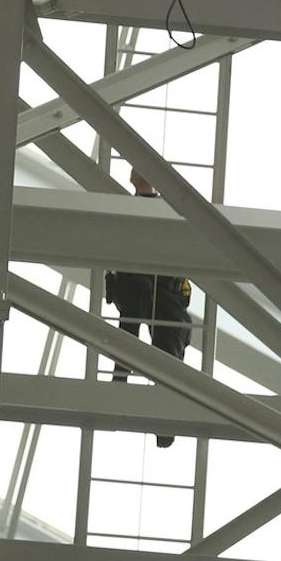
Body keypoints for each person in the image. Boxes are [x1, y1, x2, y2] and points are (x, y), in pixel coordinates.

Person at [106, 169, 194, 448]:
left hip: (163, 292)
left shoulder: (165, 211)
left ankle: (162, 415)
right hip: (142, 286)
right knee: (138, 331)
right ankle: (124, 387)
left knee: (167, 345)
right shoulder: (140, 210)